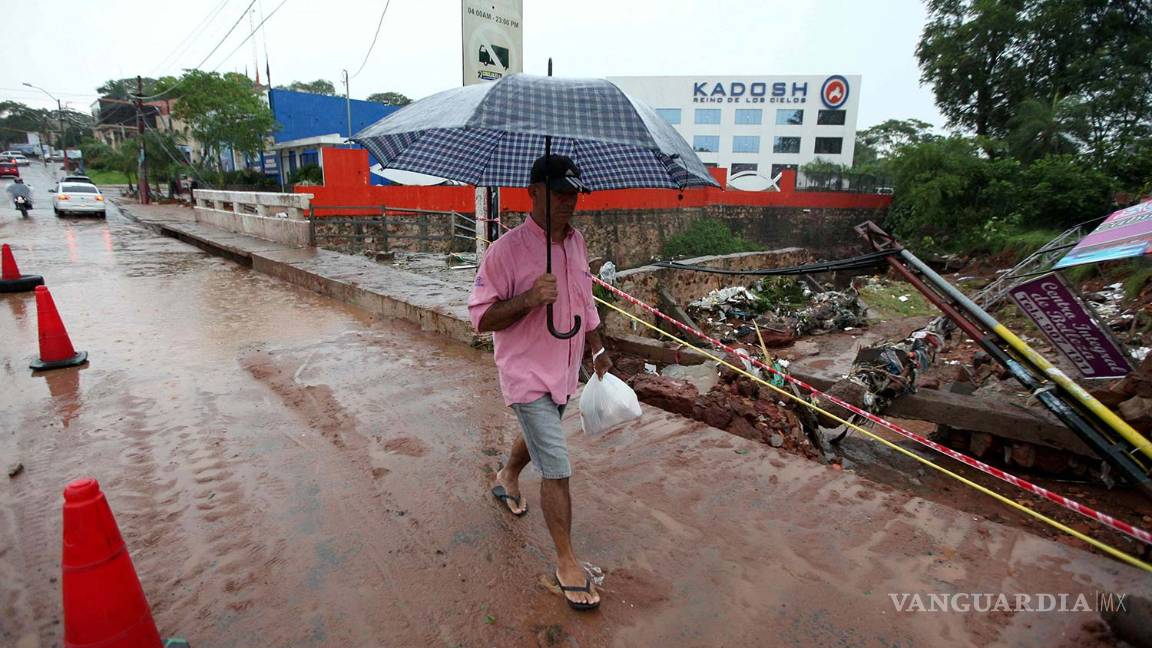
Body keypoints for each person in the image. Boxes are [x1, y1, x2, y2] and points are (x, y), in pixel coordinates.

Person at [468, 154, 612, 611]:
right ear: (533, 192)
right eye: (560, 194)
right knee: (557, 463)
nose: (569, 203)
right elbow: (481, 317)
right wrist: (530, 298)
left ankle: (507, 474)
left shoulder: (576, 243)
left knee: (538, 438)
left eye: (574, 195)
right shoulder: (505, 251)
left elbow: (586, 301)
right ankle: (567, 560)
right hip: (525, 370)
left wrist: (598, 347)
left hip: (564, 368)